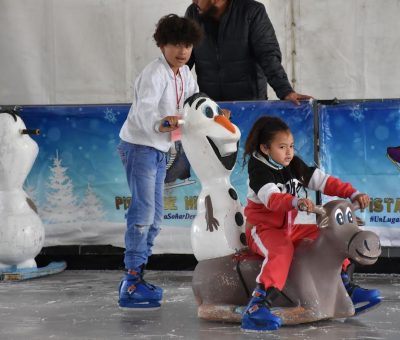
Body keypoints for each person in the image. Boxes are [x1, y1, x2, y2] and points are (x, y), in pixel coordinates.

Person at [241, 116, 381, 331]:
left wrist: (353, 192)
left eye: (291, 146)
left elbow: (323, 181)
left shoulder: (293, 164)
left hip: (288, 228)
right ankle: (258, 304)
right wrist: (296, 201)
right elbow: (272, 200)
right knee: (281, 249)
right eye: (282, 147)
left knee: (331, 234)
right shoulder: (258, 169)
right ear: (265, 148)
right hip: (262, 230)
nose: (289, 152)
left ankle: (345, 286)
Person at [117, 14, 203, 310]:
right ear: (163, 44)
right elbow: (144, 113)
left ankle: (137, 276)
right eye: (176, 44)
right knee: (143, 212)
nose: (183, 51)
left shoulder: (186, 73)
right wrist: (162, 123)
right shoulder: (154, 74)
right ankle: (130, 280)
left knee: (155, 217)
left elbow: (194, 104)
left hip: (159, 149)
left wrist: (212, 113)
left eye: (188, 45)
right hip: (139, 146)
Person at [185, 0, 311, 104]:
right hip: (211, 109)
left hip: (249, 107)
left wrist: (286, 92)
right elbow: (184, 59)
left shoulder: (252, 12)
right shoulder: (193, 14)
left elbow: (268, 56)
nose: (194, 1)